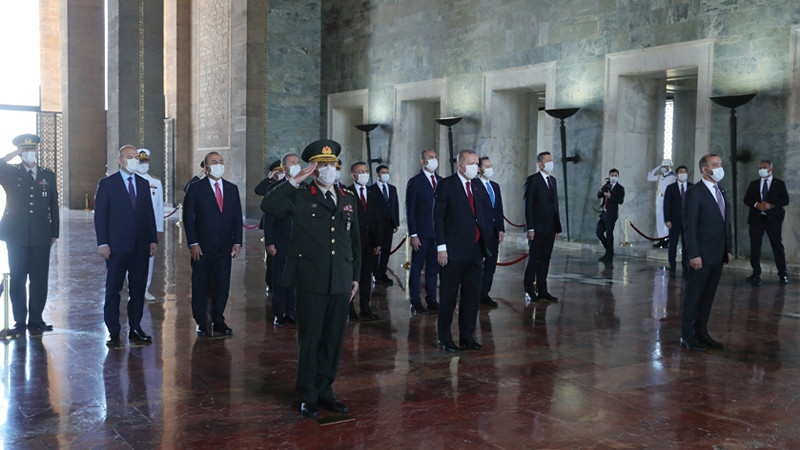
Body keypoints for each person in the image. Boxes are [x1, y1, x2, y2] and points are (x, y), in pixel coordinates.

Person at [261, 139, 360, 419]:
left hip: (340, 279)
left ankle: (326, 390)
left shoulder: (347, 198)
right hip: (311, 279)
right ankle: (307, 394)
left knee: (333, 339)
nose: (329, 169)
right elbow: (270, 205)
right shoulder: (301, 195)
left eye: (333, 164)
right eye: (323, 165)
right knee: (312, 338)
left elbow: (354, 244)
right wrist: (295, 180)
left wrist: (355, 277)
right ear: (314, 169)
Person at [94, 145, 158, 347]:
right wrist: (103, 243)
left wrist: (152, 239)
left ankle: (136, 328)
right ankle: (113, 330)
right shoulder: (107, 184)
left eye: (135, 158)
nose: (133, 161)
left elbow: (149, 214)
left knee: (137, 289)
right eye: (129, 157)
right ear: (120, 160)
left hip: (140, 247)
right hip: (116, 247)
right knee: (113, 290)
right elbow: (100, 217)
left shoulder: (143, 182)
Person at [434, 150, 494, 352]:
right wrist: (441, 247)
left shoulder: (477, 185)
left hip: (474, 251)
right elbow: (438, 218)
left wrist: (487, 244)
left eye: (477, 163)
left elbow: (483, 215)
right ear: (460, 165)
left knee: (471, 296)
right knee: (449, 297)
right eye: (471, 163)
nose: (475, 167)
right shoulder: (446, 185)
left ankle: (467, 336)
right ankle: (444, 338)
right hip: (451, 252)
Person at [0, 134, 59, 336]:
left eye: (32, 150)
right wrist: (10, 155)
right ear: (20, 152)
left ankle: (36, 319)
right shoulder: (10, 173)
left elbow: (53, 205)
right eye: (25, 150)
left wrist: (55, 233)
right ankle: (19, 320)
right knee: (17, 279)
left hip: (42, 234)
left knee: (39, 279)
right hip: (16, 234)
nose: (29, 153)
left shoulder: (47, 175)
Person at [183, 151, 243, 337]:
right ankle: (201, 320)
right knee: (200, 285)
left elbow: (236, 217)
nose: (219, 165)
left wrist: (238, 241)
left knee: (222, 284)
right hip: (202, 247)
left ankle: (218, 319)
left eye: (221, 161)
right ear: (206, 167)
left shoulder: (232, 189)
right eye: (214, 162)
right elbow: (187, 217)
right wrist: (193, 242)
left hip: (224, 246)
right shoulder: (195, 188)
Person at [680, 154, 732, 352]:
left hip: (717, 254)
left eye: (720, 164)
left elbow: (725, 222)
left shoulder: (720, 190)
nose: (720, 167)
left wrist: (728, 248)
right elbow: (689, 227)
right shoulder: (695, 193)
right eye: (715, 164)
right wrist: (694, 254)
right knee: (693, 296)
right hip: (700, 255)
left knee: (708, 296)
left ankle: (702, 333)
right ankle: (687, 335)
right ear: (705, 169)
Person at [264, 153, 301, 327]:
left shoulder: (305, 187)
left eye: (298, 162)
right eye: (293, 163)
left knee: (295, 279)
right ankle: (279, 312)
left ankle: (291, 312)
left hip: (300, 242)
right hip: (281, 240)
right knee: (280, 279)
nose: (297, 165)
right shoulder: (276, 188)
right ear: (284, 167)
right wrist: (269, 242)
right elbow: (269, 217)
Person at [405, 149, 442, 314]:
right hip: (420, 234)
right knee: (416, 268)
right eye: (431, 157)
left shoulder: (441, 181)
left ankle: (431, 298)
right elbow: (410, 209)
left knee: (434, 269)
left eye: (435, 157)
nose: (434, 160)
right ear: (423, 161)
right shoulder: (415, 182)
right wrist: (413, 234)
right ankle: (415, 300)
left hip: (437, 234)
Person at [743, 160, 790, 286]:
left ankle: (782, 274)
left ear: (771, 169)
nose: (761, 170)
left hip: (773, 220)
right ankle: (756, 274)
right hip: (756, 220)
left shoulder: (779, 184)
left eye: (764, 167)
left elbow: (785, 200)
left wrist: (772, 205)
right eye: (760, 167)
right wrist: (756, 204)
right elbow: (747, 199)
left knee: (777, 246)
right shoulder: (754, 184)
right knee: (755, 247)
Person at [523, 152, 562, 301]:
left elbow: (555, 205)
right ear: (540, 164)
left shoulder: (553, 180)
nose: (550, 162)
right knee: (533, 259)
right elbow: (528, 205)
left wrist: (557, 227)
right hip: (537, 228)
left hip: (550, 227)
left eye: (551, 160)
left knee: (545, 259)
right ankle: (529, 289)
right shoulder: (532, 180)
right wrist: (530, 228)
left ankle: (542, 289)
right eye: (547, 160)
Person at [349, 161, 382, 320]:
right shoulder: (347, 193)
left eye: (365, 171)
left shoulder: (373, 192)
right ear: (353, 175)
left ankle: (365, 307)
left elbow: (375, 219)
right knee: (351, 276)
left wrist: (377, 242)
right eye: (360, 172)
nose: (364, 174)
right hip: (352, 242)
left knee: (366, 277)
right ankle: (349, 308)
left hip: (369, 243)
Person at [135, 148, 164, 300]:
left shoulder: (155, 182)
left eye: (145, 161)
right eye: (140, 161)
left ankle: (145, 289)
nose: (143, 164)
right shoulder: (130, 179)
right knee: (131, 259)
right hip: (133, 227)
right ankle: (134, 290)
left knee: (149, 260)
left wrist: (159, 228)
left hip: (149, 228)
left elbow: (159, 207)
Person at [477, 156, 504, 307]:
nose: (490, 168)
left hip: (494, 233)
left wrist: (501, 229)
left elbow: (499, 209)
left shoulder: (495, 186)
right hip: (481, 233)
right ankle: (474, 293)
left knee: (491, 266)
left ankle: (484, 293)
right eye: (487, 166)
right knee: (478, 265)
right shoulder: (474, 185)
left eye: (491, 165)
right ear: (479, 169)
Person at [255, 160, 283, 293]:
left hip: (284, 224)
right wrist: (269, 178)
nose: (281, 174)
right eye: (279, 172)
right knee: (271, 258)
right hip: (271, 223)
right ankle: (270, 282)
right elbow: (258, 190)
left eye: (283, 171)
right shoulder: (271, 185)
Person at [370, 164, 400, 286]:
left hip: (389, 223)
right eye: (383, 172)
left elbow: (395, 205)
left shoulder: (392, 189)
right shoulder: (371, 189)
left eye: (387, 172)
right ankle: (375, 273)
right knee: (376, 248)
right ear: (377, 174)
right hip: (377, 223)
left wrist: (396, 222)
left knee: (386, 250)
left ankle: (383, 272)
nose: (385, 174)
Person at [663, 165, 692, 275]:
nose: (683, 173)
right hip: (674, 221)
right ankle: (672, 265)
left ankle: (686, 264)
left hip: (688, 221)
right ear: (677, 175)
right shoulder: (671, 188)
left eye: (685, 171)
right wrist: (667, 219)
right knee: (673, 244)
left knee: (687, 244)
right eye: (681, 172)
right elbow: (666, 205)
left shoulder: (692, 187)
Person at [596, 169, 625, 263]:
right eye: (612, 175)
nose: (613, 177)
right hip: (604, 213)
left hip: (612, 214)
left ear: (618, 176)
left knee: (609, 234)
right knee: (599, 232)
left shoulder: (620, 188)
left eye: (615, 175)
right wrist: (601, 190)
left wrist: (610, 197)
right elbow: (599, 196)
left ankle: (608, 255)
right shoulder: (607, 186)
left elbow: (620, 201)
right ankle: (609, 250)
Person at [647, 159, 676, 247]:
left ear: (669, 167)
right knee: (659, 220)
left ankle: (668, 239)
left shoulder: (673, 177)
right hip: (659, 199)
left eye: (665, 166)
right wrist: (657, 168)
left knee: (667, 219)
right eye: (662, 166)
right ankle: (661, 239)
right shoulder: (660, 176)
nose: (663, 168)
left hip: (668, 199)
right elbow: (649, 178)